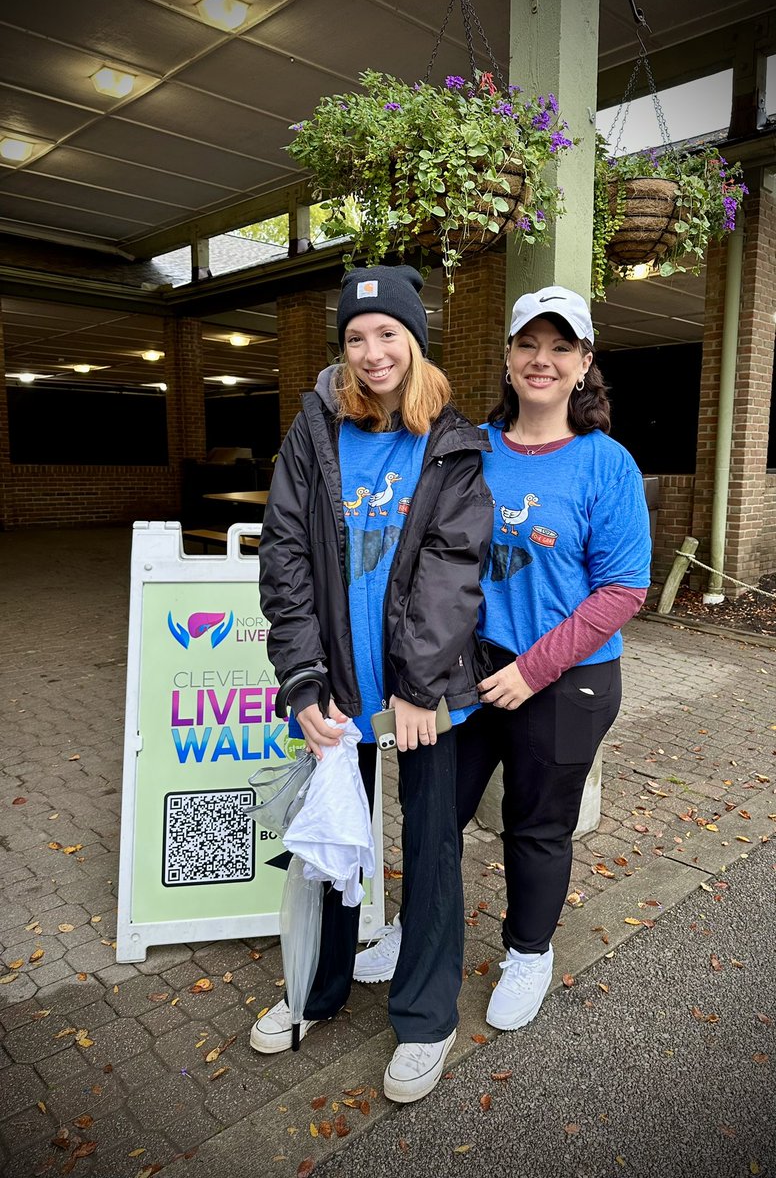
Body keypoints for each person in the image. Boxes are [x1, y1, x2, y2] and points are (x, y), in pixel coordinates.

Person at [354, 285, 651, 1035]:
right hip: (462, 673)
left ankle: (528, 952)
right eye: (528, 345)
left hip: (564, 680)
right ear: (508, 356)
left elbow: (623, 590)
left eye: (560, 347)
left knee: (536, 826)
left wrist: (533, 669)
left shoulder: (604, 463)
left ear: (585, 363)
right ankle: (416, 929)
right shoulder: (464, 446)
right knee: (432, 814)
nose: (541, 360)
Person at [253, 264, 493, 1103]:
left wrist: (421, 685)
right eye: (355, 338)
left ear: (415, 340)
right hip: (336, 683)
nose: (371, 350)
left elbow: (453, 565)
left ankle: (427, 1018)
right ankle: (314, 991)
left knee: (430, 845)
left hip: (425, 692)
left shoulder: (452, 441)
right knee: (327, 846)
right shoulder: (315, 431)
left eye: (387, 332)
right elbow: (283, 555)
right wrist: (304, 677)